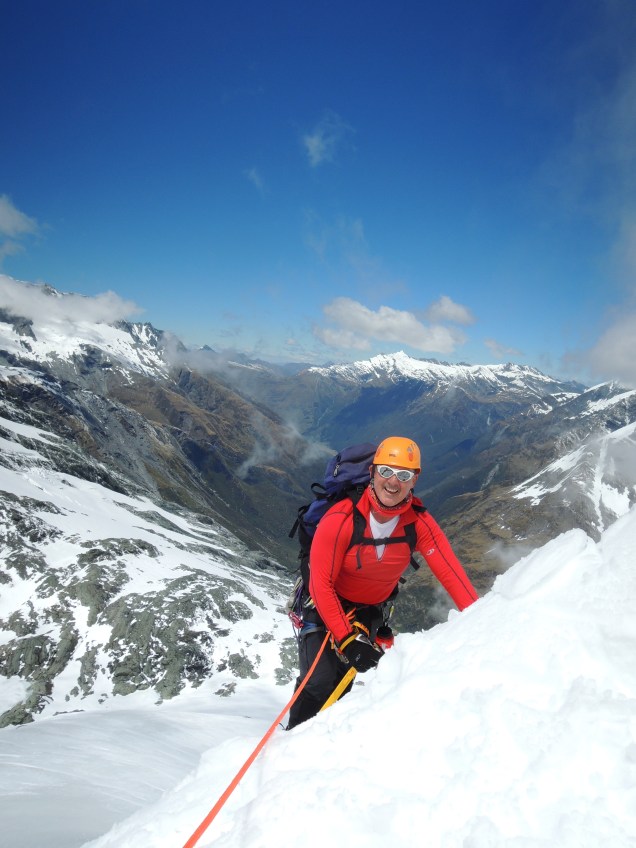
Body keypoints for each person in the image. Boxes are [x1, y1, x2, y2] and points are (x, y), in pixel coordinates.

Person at [287, 436, 478, 729]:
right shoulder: (340, 518)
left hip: (370, 610)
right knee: (319, 680)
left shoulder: (419, 523)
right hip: (324, 601)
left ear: (415, 480)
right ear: (373, 472)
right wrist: (347, 638)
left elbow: (452, 576)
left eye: (404, 475)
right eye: (386, 471)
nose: (393, 482)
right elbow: (321, 584)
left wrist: (483, 623)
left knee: (343, 679)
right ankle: (290, 741)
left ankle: (320, 742)